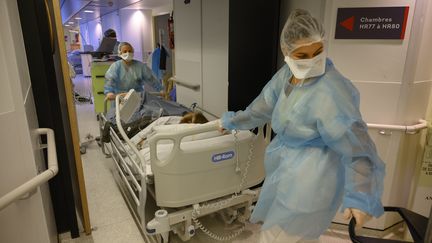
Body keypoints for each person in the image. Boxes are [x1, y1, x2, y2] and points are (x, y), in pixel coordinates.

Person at [219, 9, 385, 242]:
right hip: (285, 170)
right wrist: (232, 122)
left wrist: (361, 195)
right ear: (286, 52)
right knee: (286, 235)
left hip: (314, 178)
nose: (312, 60)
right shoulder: (287, 75)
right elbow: (261, 108)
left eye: (317, 51)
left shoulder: (332, 90)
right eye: (302, 55)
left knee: (279, 237)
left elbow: (358, 147)